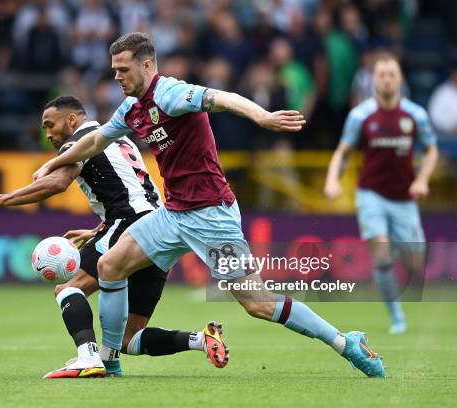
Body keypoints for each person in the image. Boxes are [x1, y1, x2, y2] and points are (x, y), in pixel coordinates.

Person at [38, 32, 386, 378]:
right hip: (172, 215)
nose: (116, 77)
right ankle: (109, 361)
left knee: (259, 304)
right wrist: (53, 163)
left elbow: (225, 97)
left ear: (146, 65)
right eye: (114, 70)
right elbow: (95, 141)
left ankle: (345, 342)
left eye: (123, 70)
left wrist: (262, 117)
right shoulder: (132, 108)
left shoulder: (170, 94)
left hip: (210, 215)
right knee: (111, 265)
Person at [0, 96, 228, 378]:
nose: (48, 134)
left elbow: (58, 182)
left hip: (128, 224)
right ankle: (201, 339)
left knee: (68, 288)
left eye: (50, 125)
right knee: (129, 338)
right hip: (158, 229)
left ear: (71, 120)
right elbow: (132, 192)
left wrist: (4, 199)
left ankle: (87, 357)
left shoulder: (80, 141)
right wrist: (97, 230)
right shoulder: (119, 139)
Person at [325, 53, 438, 334]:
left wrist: (422, 179)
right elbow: (344, 152)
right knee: (382, 255)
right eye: (381, 75)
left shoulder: (415, 115)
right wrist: (332, 179)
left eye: (392, 74)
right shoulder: (360, 115)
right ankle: (396, 315)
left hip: (404, 198)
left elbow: (432, 149)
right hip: (370, 194)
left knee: (415, 260)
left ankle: (398, 249)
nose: (387, 79)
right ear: (374, 80)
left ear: (400, 79)